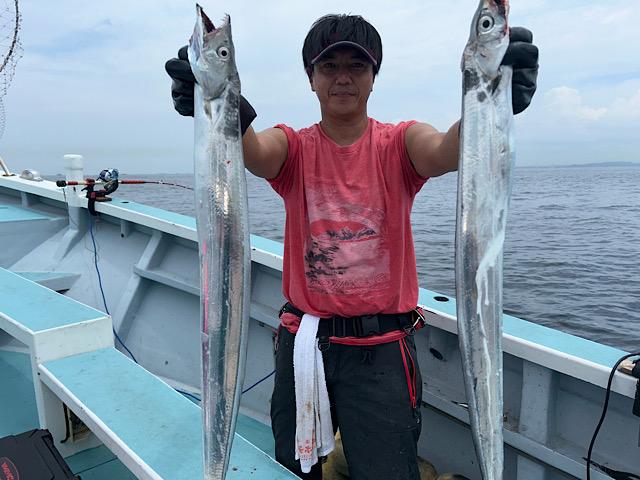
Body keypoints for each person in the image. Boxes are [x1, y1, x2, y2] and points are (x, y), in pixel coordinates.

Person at [166, 13, 538, 480]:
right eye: (329, 66)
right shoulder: (294, 147)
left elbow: (448, 148)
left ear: (373, 76)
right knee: (296, 470)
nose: (343, 77)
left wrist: (495, 98)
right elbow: (255, 152)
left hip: (381, 350)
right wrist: (219, 103)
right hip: (306, 344)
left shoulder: (400, 143)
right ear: (312, 78)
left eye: (356, 66)